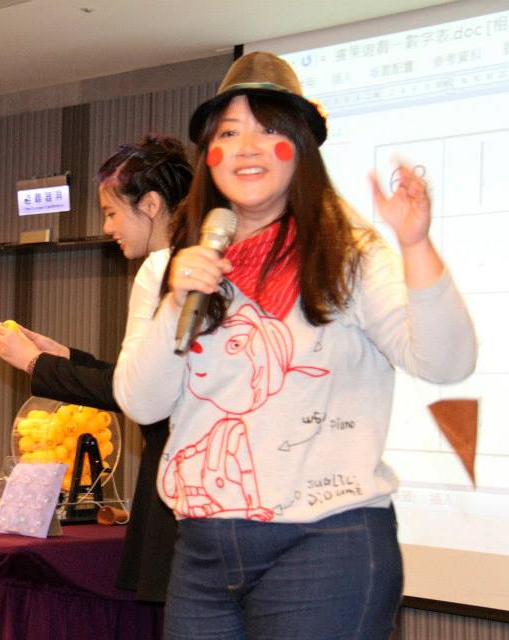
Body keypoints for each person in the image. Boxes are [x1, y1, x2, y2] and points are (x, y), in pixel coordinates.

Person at [112, 52, 476, 639]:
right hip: (202, 550)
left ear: (301, 150)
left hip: (326, 542)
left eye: (269, 131)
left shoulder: (350, 257)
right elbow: (142, 403)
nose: (247, 148)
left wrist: (415, 246)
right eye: (228, 133)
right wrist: (177, 300)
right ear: (209, 155)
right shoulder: (166, 269)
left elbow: (446, 363)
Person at [0, 135, 193, 602]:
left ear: (151, 205)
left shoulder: (162, 270)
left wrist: (34, 363)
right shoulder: (187, 266)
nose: (107, 227)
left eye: (111, 212)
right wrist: (67, 359)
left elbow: (137, 395)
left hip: (177, 477)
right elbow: (145, 380)